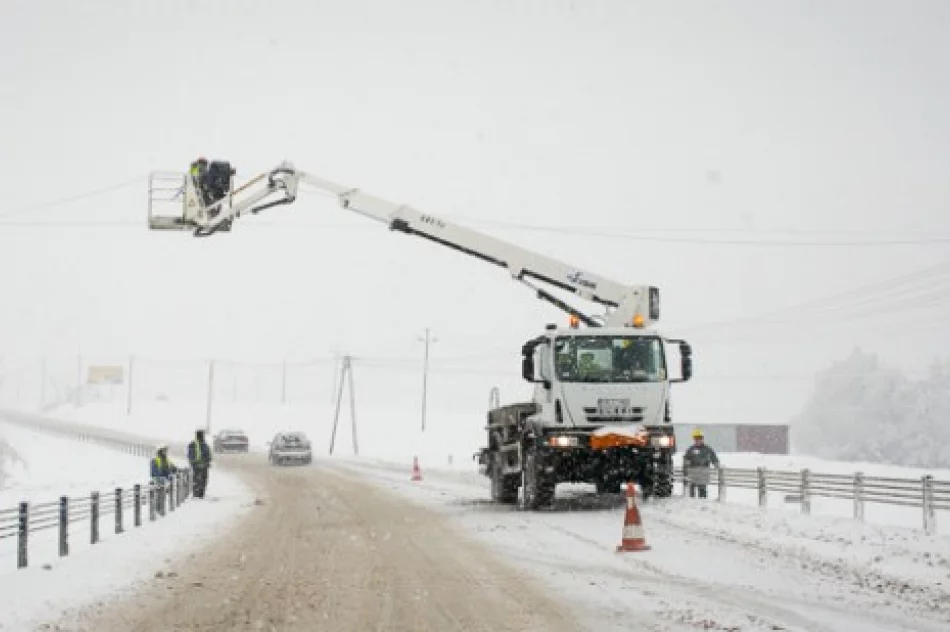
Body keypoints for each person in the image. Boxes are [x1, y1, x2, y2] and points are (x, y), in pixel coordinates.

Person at [683, 428, 720, 498]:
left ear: (702, 439)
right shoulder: (691, 449)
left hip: (703, 473)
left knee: (702, 489)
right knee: (691, 490)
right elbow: (686, 459)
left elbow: (714, 458)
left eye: (699, 438)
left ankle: (702, 501)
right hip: (693, 473)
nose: (697, 440)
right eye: (696, 438)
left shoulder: (707, 449)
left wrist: (717, 465)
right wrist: (686, 466)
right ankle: (692, 502)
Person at [188, 429, 213, 498]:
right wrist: (195, 463)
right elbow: (191, 456)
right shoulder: (194, 444)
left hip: (203, 466)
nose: (203, 436)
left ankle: (200, 494)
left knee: (202, 480)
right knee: (198, 480)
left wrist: (208, 462)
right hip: (198, 466)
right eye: (202, 435)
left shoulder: (204, 444)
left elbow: (208, 454)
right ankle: (197, 495)